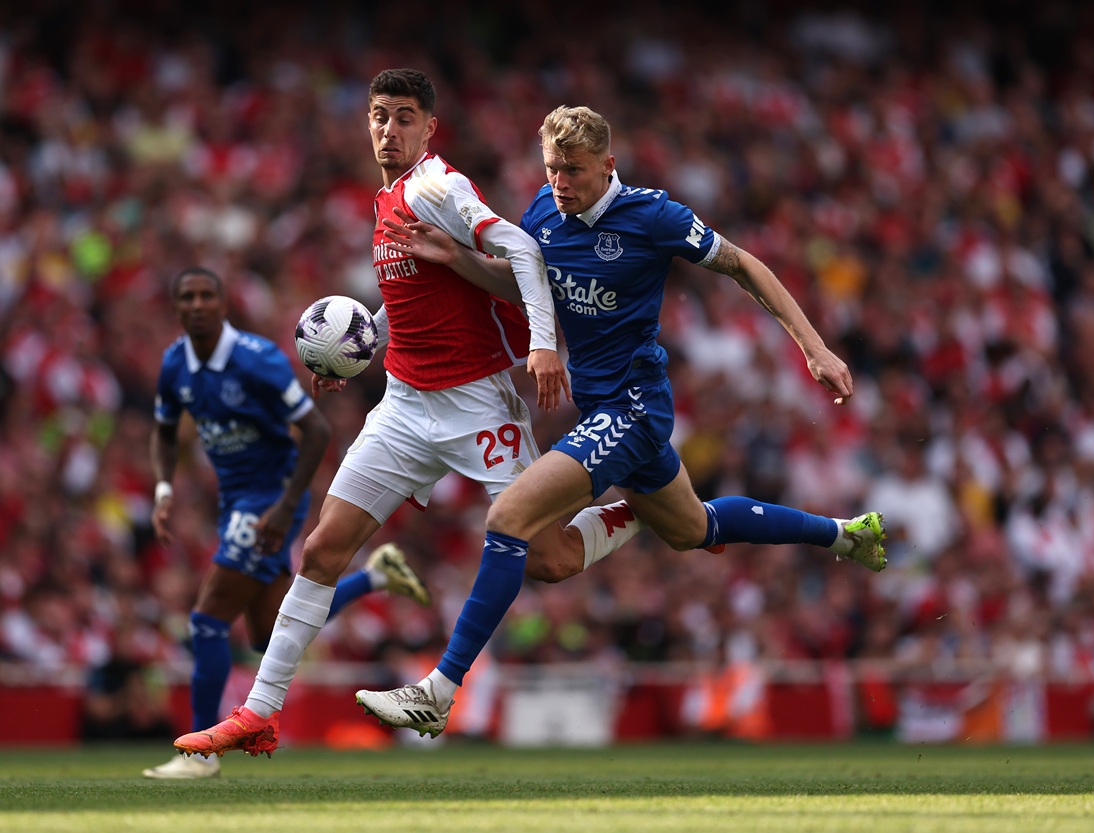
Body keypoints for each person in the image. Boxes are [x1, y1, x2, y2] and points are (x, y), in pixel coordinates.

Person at [354, 104, 887, 737]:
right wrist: (454, 258)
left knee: (507, 520)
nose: (560, 183)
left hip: (634, 408)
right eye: (552, 169)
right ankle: (845, 534)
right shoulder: (543, 214)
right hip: (603, 408)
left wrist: (813, 347)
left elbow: (743, 264)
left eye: (574, 171)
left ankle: (439, 691)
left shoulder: (652, 215)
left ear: (608, 165)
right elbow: (522, 286)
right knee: (693, 528)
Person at [172, 70, 650, 760]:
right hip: (402, 404)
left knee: (546, 557)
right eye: (378, 117)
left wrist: (543, 346)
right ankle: (259, 711)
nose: (387, 130)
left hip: (476, 403)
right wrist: (354, 343)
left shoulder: (438, 187)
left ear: (430, 128)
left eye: (403, 118)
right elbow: (413, 297)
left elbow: (523, 251)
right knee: (323, 548)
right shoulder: (390, 197)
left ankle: (638, 508)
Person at [141, 266, 431, 779]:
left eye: (209, 294)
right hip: (236, 500)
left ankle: (201, 754)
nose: (199, 304)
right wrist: (164, 488)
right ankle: (377, 576)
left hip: (270, 497)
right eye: (188, 296)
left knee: (207, 621)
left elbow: (316, 430)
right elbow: (165, 431)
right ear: (177, 307)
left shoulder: (257, 361)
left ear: (224, 303)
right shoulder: (174, 365)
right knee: (267, 634)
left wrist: (284, 506)